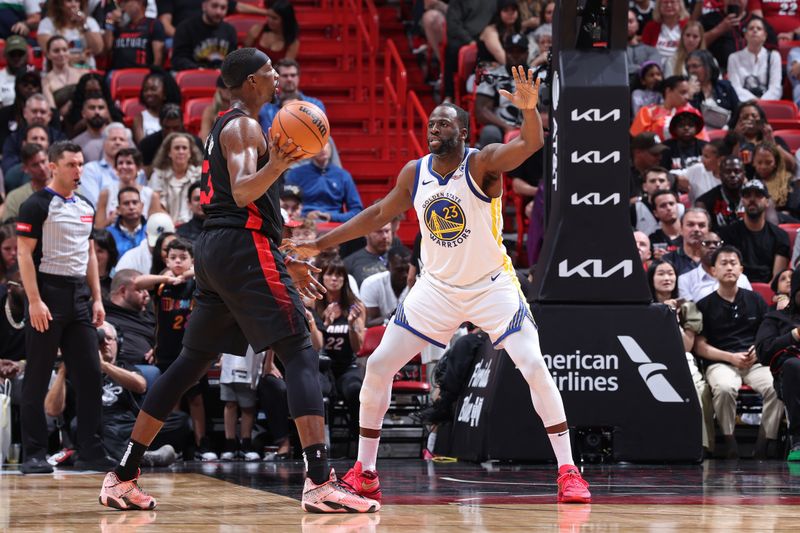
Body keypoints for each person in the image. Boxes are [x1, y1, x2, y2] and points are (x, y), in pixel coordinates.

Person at [282, 66, 592, 504]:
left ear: (463, 132)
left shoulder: (482, 162)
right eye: (430, 124)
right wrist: (319, 242)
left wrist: (529, 111)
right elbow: (376, 215)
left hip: (491, 285)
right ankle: (365, 471)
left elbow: (531, 143)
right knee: (378, 366)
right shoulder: (416, 171)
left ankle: (568, 471)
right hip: (437, 289)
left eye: (444, 124)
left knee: (534, 367)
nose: (434, 130)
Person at [98, 48, 378, 513]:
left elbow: (242, 203)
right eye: (269, 72)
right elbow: (246, 189)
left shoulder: (228, 125)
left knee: (189, 364)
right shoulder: (245, 125)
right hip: (241, 247)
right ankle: (321, 481)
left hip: (223, 249)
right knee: (300, 353)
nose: (276, 78)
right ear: (250, 81)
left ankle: (122, 475)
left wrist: (281, 256)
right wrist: (280, 164)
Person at [15, 141, 109, 474]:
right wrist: (35, 300)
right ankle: (35, 453)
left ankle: (90, 450)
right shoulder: (35, 205)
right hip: (47, 293)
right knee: (37, 376)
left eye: (81, 164)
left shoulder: (85, 205)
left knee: (91, 375)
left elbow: (89, 256)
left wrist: (97, 298)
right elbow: (23, 254)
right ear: (54, 166)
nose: (78, 170)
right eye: (71, 164)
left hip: (79, 296)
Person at [44, 321, 183, 466]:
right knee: (92, 426)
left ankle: (120, 455)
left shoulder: (124, 366)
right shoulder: (76, 371)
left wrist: (104, 365)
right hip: (93, 424)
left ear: (119, 342)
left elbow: (141, 386)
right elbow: (52, 410)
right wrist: (62, 371)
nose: (105, 343)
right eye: (98, 339)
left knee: (180, 421)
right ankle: (140, 458)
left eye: (109, 339)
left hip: (128, 424)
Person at [694, 244, 782, 459]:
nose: (729, 268)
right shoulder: (704, 304)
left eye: (733, 263)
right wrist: (729, 357)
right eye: (723, 263)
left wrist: (755, 350)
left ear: (741, 269)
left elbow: (767, 333)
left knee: (777, 385)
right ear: (713, 271)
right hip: (722, 362)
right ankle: (729, 440)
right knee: (724, 388)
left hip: (754, 361)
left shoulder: (755, 300)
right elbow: (700, 345)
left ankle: (765, 441)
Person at [647, 259, 714, 454]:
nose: (667, 278)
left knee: (700, 391)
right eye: (661, 273)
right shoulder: (644, 308)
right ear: (651, 279)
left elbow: (686, 346)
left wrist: (672, 317)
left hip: (682, 360)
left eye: (670, 273)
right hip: (650, 361)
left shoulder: (688, 307)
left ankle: (701, 447)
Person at [310, 258, 366, 439]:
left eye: (339, 274)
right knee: (316, 389)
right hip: (322, 366)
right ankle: (320, 441)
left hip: (347, 365)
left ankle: (358, 440)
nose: (334, 279)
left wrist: (351, 325)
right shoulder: (314, 305)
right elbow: (316, 345)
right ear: (322, 278)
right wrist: (324, 323)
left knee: (355, 389)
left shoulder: (355, 306)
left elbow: (358, 348)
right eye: (330, 274)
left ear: (345, 279)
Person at [755, 267, 800, 461]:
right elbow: (764, 351)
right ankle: (798, 439)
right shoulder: (777, 317)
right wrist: (794, 336)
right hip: (791, 377)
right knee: (793, 366)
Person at [718, 178, 790, 283]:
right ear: (742, 201)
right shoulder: (728, 234)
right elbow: (728, 271)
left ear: (767, 202)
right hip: (736, 288)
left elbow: (776, 279)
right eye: (747, 196)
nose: (752, 199)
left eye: (758, 195)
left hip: (768, 291)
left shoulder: (780, 235)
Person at [104, 268, 160, 391]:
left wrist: (158, 349)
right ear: (123, 291)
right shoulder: (99, 311)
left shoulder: (149, 316)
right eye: (140, 290)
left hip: (141, 374)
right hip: (106, 370)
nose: (147, 295)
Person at [475, 32, 531, 147]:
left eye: (519, 51)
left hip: (532, 126)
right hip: (502, 126)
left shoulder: (538, 75)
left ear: (527, 53)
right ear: (505, 53)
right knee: (489, 132)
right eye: (511, 51)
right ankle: (491, 165)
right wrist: (506, 127)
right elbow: (481, 110)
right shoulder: (492, 76)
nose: (515, 55)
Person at [285, 141, 363, 223]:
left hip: (334, 226)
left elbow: (357, 211)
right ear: (310, 151)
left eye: (325, 145)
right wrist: (305, 215)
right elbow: (286, 207)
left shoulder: (343, 176)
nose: (323, 149)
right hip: (303, 225)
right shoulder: (295, 174)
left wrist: (332, 216)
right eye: (318, 146)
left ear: (330, 148)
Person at [700, 0, 777, 72]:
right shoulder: (708, 19)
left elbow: (772, 52)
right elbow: (695, 45)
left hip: (753, 72)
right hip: (719, 71)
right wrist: (719, 29)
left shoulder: (758, 23)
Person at [442, 0, 496, 102]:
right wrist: (469, 41)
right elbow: (453, 24)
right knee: (453, 50)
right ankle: (450, 94)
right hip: (464, 38)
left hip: (487, 37)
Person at [96, 148, 162, 228]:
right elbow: (97, 228)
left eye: (129, 163)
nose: (124, 166)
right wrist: (110, 220)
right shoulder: (106, 193)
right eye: (120, 163)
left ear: (138, 167)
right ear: (116, 168)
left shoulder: (151, 195)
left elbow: (156, 228)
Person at [2, 93, 67, 175]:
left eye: (42, 112)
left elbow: (66, 164)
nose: (38, 115)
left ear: (49, 116)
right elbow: (8, 169)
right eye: (34, 111)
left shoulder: (60, 138)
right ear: (25, 113)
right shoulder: (13, 139)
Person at [678, 231, 752, 302]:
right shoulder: (685, 280)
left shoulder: (742, 278)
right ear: (698, 251)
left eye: (717, 243)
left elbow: (751, 305)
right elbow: (689, 312)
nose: (712, 246)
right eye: (706, 243)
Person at [219, 346, 265, 461]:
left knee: (248, 408)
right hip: (228, 362)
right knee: (230, 404)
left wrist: (268, 363)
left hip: (249, 362)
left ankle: (246, 445)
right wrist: (220, 356)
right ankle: (230, 445)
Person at [729, 100, 796, 178]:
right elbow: (729, 168)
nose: (750, 119)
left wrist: (772, 143)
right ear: (737, 122)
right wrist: (737, 138)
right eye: (745, 117)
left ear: (762, 120)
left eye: (754, 116)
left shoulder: (775, 139)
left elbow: (791, 166)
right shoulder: (729, 141)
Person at [630, 75, 708, 141]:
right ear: (668, 91)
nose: (687, 97)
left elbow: (702, 141)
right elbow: (639, 142)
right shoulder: (648, 112)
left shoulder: (693, 113)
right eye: (683, 92)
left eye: (688, 93)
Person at [148, 132, 203, 225]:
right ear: (169, 152)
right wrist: (171, 225)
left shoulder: (200, 174)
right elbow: (155, 208)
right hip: (167, 228)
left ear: (190, 153)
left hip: (196, 228)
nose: (181, 151)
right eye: (177, 148)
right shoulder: (158, 176)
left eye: (184, 148)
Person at [79, 123, 137, 206]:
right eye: (113, 139)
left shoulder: (137, 172)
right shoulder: (90, 169)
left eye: (122, 139)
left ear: (128, 144)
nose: (117, 142)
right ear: (104, 143)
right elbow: (92, 203)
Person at [171, 0, 237, 71]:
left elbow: (232, 61)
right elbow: (178, 59)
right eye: (214, 6)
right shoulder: (185, 28)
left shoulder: (230, 30)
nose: (218, 12)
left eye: (223, 8)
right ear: (204, 6)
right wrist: (199, 69)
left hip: (220, 76)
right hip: (193, 74)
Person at [727, 17, 783, 102]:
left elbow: (775, 88)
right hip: (742, 104)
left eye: (759, 28)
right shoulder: (734, 58)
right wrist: (753, 101)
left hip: (768, 103)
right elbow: (735, 87)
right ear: (745, 35)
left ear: (765, 36)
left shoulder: (774, 56)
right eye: (751, 28)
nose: (755, 31)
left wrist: (762, 102)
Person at [36, 0, 104, 69]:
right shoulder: (47, 23)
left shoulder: (89, 22)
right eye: (69, 1)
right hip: (58, 72)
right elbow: (48, 51)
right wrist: (79, 58)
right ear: (59, 4)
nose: (73, 5)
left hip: (86, 70)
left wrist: (84, 25)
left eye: (77, 1)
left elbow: (98, 49)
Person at [139, 104, 204, 172]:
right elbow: (143, 172)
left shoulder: (195, 142)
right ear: (160, 123)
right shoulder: (147, 144)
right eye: (167, 128)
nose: (171, 132)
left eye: (175, 128)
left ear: (182, 124)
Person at [104, 0, 166, 70]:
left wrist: (152, 75)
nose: (123, 7)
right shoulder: (118, 26)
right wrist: (109, 22)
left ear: (139, 3)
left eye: (126, 2)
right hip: (118, 72)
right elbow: (107, 47)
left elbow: (158, 58)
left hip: (144, 72)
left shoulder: (153, 24)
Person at [685, 50, 739, 130]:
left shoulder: (725, 86)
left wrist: (727, 128)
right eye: (688, 67)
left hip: (727, 132)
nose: (691, 71)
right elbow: (689, 118)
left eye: (695, 66)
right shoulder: (686, 91)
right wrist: (691, 96)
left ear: (708, 67)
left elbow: (737, 111)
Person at [360, 246, 411, 327]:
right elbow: (368, 323)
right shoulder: (371, 284)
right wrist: (395, 317)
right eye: (399, 270)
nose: (405, 275)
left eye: (408, 270)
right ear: (387, 266)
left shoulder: (419, 285)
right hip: (379, 335)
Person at [696, 154, 746, 232]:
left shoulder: (754, 197)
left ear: (744, 174)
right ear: (720, 175)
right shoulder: (705, 201)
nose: (732, 175)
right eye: (727, 172)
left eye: (737, 171)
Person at [2, 144, 51, 222]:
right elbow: (9, 229)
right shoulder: (15, 198)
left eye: (43, 161)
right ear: (25, 168)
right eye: (35, 165)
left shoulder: (70, 189)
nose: (42, 168)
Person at [752, 143, 800, 222]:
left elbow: (794, 212)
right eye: (759, 162)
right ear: (753, 162)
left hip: (786, 223)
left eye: (768, 162)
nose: (763, 167)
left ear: (775, 163)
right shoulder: (750, 181)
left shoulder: (789, 182)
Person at [132, 70, 182, 145]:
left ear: (165, 93)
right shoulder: (139, 118)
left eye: (153, 89)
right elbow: (143, 146)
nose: (148, 93)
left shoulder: (175, 115)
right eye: (145, 90)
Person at [343, 222, 394, 287]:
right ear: (366, 233)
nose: (385, 236)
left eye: (387, 231)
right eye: (379, 232)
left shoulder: (402, 258)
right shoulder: (350, 262)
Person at [661, 207, 710, 275]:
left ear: (708, 230)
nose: (696, 229)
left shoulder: (717, 259)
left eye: (701, 225)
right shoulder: (668, 260)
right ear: (681, 229)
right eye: (690, 225)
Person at [42, 36, 84, 111]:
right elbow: (52, 110)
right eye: (56, 51)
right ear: (48, 55)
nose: (61, 54)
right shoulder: (46, 81)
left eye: (65, 50)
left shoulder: (82, 73)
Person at [660, 107, 706, 172]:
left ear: (697, 128)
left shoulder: (705, 147)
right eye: (681, 125)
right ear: (674, 129)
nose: (686, 128)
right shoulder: (665, 148)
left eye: (690, 125)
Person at [476, 0, 521, 68]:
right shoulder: (490, 31)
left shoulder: (513, 29)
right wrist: (534, 62)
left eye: (513, 10)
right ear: (499, 13)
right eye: (506, 10)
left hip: (505, 70)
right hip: (484, 73)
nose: (510, 13)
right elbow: (503, 59)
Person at [69, 93, 112, 162]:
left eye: (101, 108)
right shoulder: (76, 143)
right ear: (83, 113)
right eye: (92, 108)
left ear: (107, 112)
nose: (97, 112)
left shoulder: (121, 138)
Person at [106, 187, 147, 258]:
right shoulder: (108, 234)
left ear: (142, 206)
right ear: (118, 209)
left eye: (135, 202)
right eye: (126, 203)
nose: (131, 207)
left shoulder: (151, 230)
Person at [629, 133, 670, 200]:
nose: (660, 157)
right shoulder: (623, 175)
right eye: (655, 154)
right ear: (638, 152)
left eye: (660, 153)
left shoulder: (664, 173)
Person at [648, 189, 683, 259]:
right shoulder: (652, 240)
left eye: (671, 204)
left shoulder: (691, 235)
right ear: (655, 213)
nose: (669, 208)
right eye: (663, 205)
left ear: (678, 206)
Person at [626, 9, 661, 77]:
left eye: (630, 21)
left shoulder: (652, 50)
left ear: (637, 24)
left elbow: (654, 71)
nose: (627, 25)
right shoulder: (613, 52)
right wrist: (642, 68)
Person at [0, 35, 30, 108]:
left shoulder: (34, 76)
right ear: (5, 55)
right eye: (12, 54)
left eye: (20, 54)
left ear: (27, 55)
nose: (16, 58)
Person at [202, 76, 231, 141]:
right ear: (219, 89)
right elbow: (205, 138)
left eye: (231, 87)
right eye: (225, 87)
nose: (228, 90)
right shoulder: (210, 111)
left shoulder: (241, 108)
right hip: (215, 146)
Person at [93, 228, 119, 299]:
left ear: (110, 254)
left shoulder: (116, 280)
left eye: (100, 251)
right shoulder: (79, 280)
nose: (94, 255)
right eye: (90, 250)